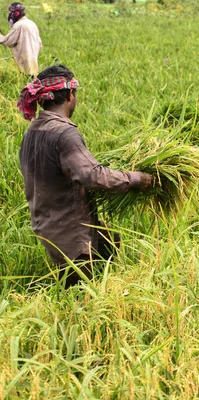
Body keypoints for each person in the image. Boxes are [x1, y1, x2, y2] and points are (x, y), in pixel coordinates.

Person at [18, 65, 153, 287]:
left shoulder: (33, 131)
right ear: (70, 95)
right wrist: (136, 178)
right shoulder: (64, 133)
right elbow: (92, 175)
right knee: (79, 294)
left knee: (110, 241)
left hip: (47, 222)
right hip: (71, 231)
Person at [0, 3, 42, 76]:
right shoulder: (32, 23)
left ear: (15, 13)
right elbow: (40, 44)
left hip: (24, 65)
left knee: (24, 80)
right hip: (33, 63)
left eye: (10, 12)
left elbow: (7, 41)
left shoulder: (19, 25)